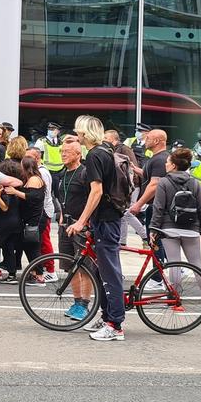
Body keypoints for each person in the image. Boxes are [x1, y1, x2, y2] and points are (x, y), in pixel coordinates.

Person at [66, 115, 127, 342]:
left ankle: (115, 325)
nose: (76, 135)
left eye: (78, 132)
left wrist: (82, 221)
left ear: (85, 133)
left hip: (107, 219)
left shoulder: (94, 155)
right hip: (107, 218)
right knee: (103, 272)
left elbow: (97, 191)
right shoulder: (105, 151)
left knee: (110, 274)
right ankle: (107, 316)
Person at [53, 131, 94, 320]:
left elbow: (93, 199)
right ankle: (76, 302)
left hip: (81, 226)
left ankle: (84, 305)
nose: (63, 154)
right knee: (71, 266)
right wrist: (61, 214)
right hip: (66, 225)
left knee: (85, 267)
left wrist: (84, 222)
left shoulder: (85, 173)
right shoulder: (62, 173)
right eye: (62, 151)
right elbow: (62, 196)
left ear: (79, 154)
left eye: (68, 152)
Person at [149, 147, 201, 271]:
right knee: (197, 264)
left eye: (168, 162)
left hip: (169, 228)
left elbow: (158, 208)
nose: (165, 164)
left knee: (174, 264)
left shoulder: (164, 182)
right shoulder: (194, 183)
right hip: (191, 228)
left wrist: (154, 228)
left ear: (173, 166)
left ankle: (175, 291)